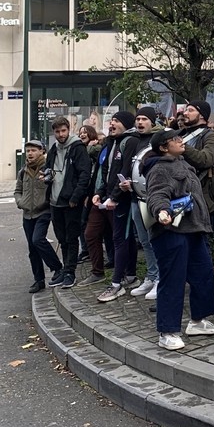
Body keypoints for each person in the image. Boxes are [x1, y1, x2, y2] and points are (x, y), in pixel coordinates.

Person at [144, 129, 214, 350]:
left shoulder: (184, 163)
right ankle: (167, 331)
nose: (182, 142)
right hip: (171, 234)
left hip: (194, 230)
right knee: (173, 281)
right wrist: (161, 211)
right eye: (176, 140)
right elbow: (157, 194)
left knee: (203, 274)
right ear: (163, 147)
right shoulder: (159, 169)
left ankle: (198, 321)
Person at [91, 111, 140, 302]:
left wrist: (115, 197)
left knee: (120, 238)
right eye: (111, 121)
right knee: (123, 238)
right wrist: (100, 193)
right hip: (111, 197)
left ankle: (117, 283)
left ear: (126, 125)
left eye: (116, 121)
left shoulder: (130, 142)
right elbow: (106, 171)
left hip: (124, 199)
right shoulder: (111, 142)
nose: (111, 124)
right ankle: (130, 275)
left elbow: (125, 171)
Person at [45, 117, 93, 288]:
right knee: (61, 238)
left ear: (68, 129)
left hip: (70, 202)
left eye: (63, 131)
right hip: (55, 201)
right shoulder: (54, 148)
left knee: (71, 238)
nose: (60, 135)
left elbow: (84, 175)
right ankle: (65, 270)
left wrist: (75, 197)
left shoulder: (78, 148)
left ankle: (70, 273)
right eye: (57, 132)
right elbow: (48, 168)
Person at [15, 140, 63, 293]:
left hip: (43, 211)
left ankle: (57, 268)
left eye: (33, 150)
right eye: (28, 150)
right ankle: (39, 280)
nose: (30, 153)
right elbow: (18, 190)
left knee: (38, 240)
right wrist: (20, 202)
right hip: (27, 213)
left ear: (42, 151)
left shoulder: (47, 169)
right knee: (32, 248)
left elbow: (55, 186)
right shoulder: (23, 171)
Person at [180, 100, 214, 243]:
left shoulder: (211, 136)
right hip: (182, 192)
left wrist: (182, 147)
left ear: (201, 115)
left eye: (190, 110)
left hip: (201, 193)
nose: (185, 113)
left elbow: (206, 160)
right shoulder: (181, 134)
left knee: (200, 241)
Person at [128, 107, 164, 300]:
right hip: (136, 197)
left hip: (153, 199)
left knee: (154, 239)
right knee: (144, 240)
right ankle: (151, 276)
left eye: (144, 119)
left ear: (152, 121)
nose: (140, 122)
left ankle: (160, 278)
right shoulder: (135, 140)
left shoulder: (158, 140)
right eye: (138, 119)